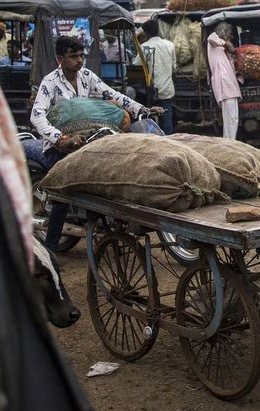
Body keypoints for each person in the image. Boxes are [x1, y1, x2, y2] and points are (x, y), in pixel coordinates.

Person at [30, 36, 158, 252]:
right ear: (60, 59)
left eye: (81, 56)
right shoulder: (49, 82)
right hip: (59, 147)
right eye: (74, 56)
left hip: (87, 142)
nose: (79, 61)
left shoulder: (87, 76)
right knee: (64, 191)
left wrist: (142, 110)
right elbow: (36, 115)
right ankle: (50, 249)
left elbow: (113, 95)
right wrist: (61, 138)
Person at [138, 20, 176, 135]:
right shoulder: (170, 45)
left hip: (150, 90)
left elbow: (136, 65)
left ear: (146, 33)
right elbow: (174, 68)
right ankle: (169, 140)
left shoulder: (144, 47)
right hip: (167, 89)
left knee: (151, 118)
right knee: (167, 118)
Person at [207, 22, 242, 139]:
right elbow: (211, 38)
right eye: (229, 33)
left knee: (230, 118)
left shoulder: (223, 50)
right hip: (225, 84)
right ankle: (231, 142)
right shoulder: (214, 40)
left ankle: (228, 141)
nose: (231, 36)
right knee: (231, 118)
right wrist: (226, 44)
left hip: (229, 84)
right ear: (223, 32)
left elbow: (232, 68)